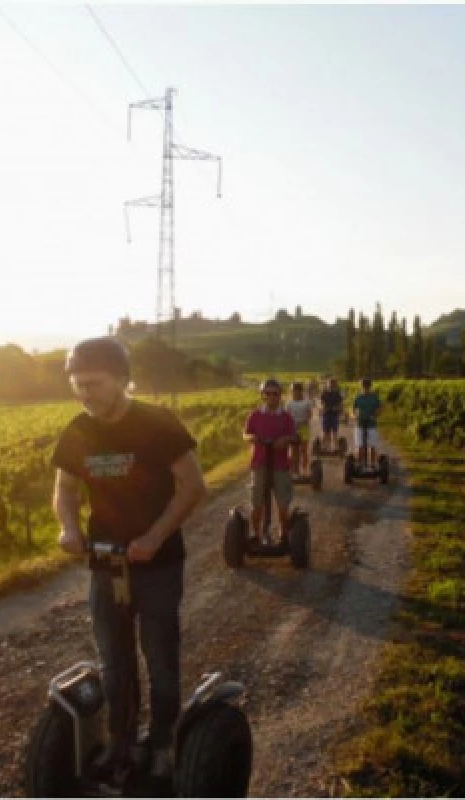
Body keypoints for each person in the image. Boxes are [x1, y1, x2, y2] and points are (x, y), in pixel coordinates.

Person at [51, 336, 208, 786]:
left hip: (156, 564)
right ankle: (121, 741)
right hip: (105, 563)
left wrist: (155, 537)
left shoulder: (158, 424)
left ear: (121, 379)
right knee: (113, 661)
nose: (84, 393)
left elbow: (192, 486)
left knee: (159, 656)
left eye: (93, 383)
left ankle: (162, 743)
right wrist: (69, 528)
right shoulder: (78, 430)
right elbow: (64, 489)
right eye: (77, 384)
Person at [243, 378, 296, 545]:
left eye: (275, 394)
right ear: (263, 395)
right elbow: (246, 434)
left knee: (282, 503)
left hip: (280, 464)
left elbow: (294, 436)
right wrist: (252, 437)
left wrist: (285, 439)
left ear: (280, 396)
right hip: (260, 463)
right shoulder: (255, 415)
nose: (272, 397)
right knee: (256, 502)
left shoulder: (286, 417)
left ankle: (284, 534)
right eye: (268, 393)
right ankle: (256, 534)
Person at [351, 377, 382, 465]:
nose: (365, 388)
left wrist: (375, 415)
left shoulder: (374, 397)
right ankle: (359, 464)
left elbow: (379, 409)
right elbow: (352, 410)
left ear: (369, 386)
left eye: (367, 386)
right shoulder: (358, 397)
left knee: (372, 446)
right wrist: (354, 416)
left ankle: (372, 464)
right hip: (359, 424)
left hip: (371, 424)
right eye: (363, 386)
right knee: (360, 446)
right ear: (361, 386)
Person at [285, 381, 313, 473]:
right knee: (293, 450)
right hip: (292, 428)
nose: (295, 392)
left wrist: (304, 421)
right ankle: (294, 470)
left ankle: (304, 470)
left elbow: (309, 414)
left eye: (297, 390)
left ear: (301, 391)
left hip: (304, 428)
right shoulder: (289, 403)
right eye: (293, 391)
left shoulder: (306, 402)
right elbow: (287, 416)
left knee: (304, 450)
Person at [319, 377, 344, 450]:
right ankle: (326, 447)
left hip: (334, 415)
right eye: (330, 384)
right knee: (326, 432)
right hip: (326, 414)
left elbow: (340, 405)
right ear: (327, 384)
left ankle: (335, 448)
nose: (331, 385)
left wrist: (337, 408)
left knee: (335, 432)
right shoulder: (324, 393)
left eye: (333, 384)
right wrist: (323, 407)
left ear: (335, 385)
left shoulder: (338, 394)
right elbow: (321, 403)